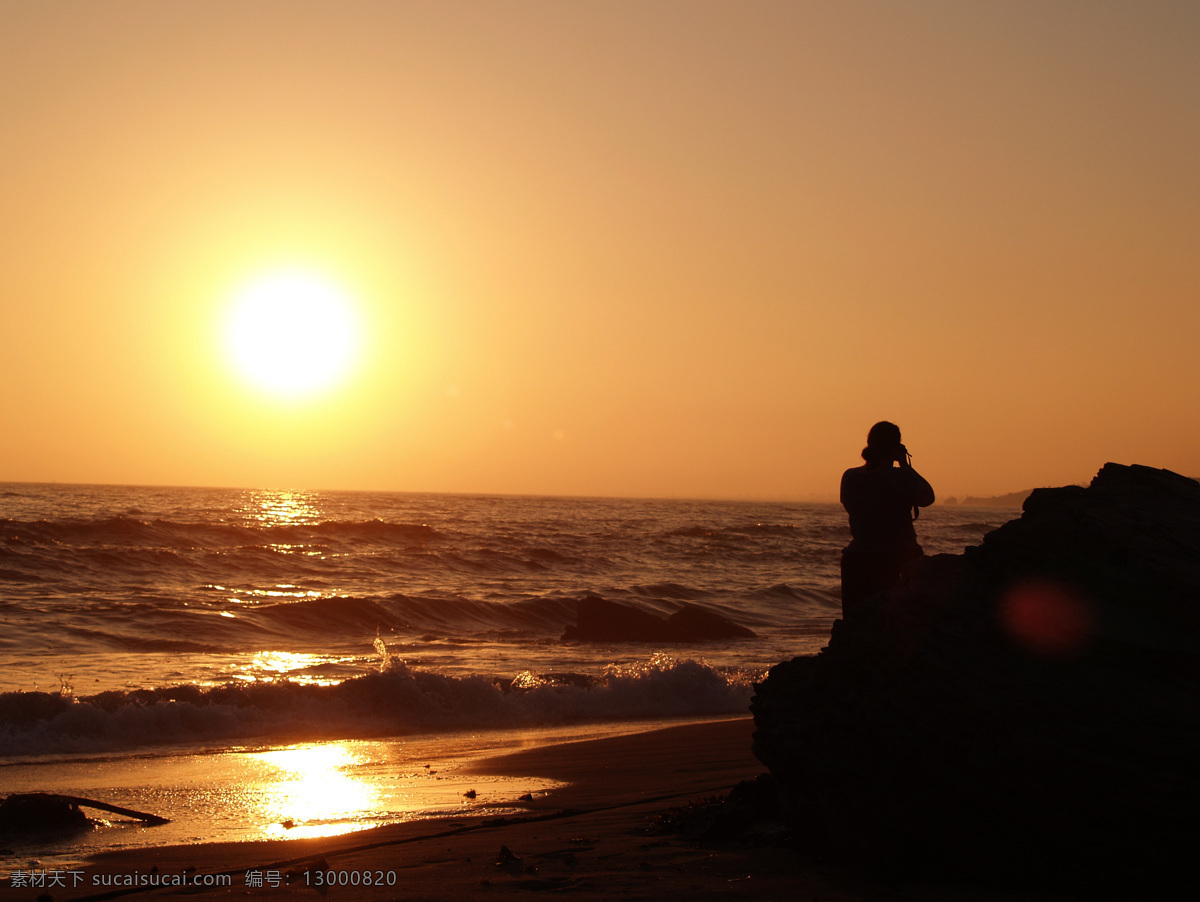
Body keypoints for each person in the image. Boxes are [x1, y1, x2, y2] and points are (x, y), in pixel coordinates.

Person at [839, 421, 935, 619]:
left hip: (857, 559)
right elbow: (928, 497)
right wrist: (905, 465)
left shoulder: (850, 477)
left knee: (856, 623)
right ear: (895, 447)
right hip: (898, 557)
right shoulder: (901, 477)